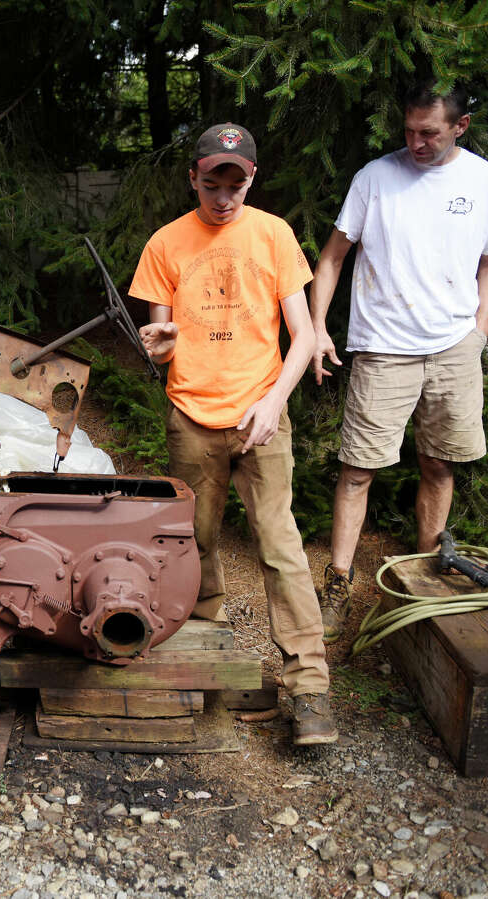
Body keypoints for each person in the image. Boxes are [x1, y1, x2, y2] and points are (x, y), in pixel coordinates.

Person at [132, 123, 336, 746]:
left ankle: (309, 691)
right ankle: (200, 660)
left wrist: (274, 404)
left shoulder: (273, 234)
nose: (223, 196)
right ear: (193, 176)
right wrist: (159, 344)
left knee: (280, 546)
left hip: (261, 417)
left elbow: (302, 336)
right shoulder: (165, 244)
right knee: (195, 544)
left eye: (236, 183)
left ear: (252, 179)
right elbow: (160, 341)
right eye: (212, 181)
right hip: (193, 418)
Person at [309, 81, 488, 643]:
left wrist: (481, 328)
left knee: (439, 464)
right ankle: (338, 581)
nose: (416, 142)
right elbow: (331, 258)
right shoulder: (376, 178)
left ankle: (427, 572)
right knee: (357, 469)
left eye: (430, 133)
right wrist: (318, 328)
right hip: (383, 346)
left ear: (459, 128)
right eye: (409, 131)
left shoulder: (483, 180)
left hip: (454, 346)